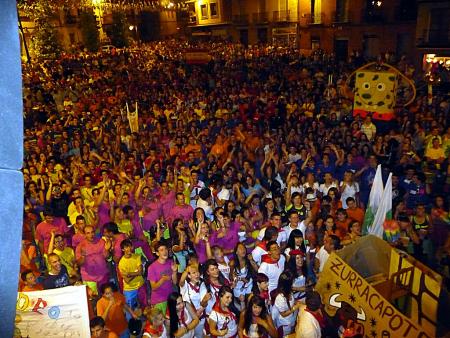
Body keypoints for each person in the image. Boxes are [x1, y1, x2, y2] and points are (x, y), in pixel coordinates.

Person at [75, 225, 111, 296]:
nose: (91, 235)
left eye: (92, 232)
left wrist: (107, 249)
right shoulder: (80, 246)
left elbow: (107, 256)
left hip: (103, 275)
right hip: (89, 278)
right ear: (84, 234)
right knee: (93, 299)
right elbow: (79, 263)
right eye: (88, 233)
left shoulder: (101, 241)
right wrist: (83, 256)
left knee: (105, 297)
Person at [147, 241, 178, 314]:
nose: (165, 251)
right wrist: (163, 279)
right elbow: (153, 287)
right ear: (157, 253)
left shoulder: (170, 262)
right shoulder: (152, 267)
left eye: (165, 249)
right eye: (161, 250)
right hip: (159, 300)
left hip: (170, 297)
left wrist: (174, 272)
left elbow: (175, 282)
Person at [118, 239, 146, 312]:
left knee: (144, 307)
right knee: (130, 310)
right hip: (129, 289)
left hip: (140, 285)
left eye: (130, 246)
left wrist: (129, 274)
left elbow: (141, 272)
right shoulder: (121, 263)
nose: (129, 249)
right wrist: (137, 272)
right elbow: (127, 280)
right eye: (126, 247)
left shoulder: (137, 256)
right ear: (122, 249)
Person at [271, 271, 301, 336]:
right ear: (287, 284)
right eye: (292, 281)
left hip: (291, 320)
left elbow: (291, 300)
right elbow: (283, 314)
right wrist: (295, 307)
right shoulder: (280, 298)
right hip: (285, 324)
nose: (293, 282)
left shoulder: (289, 290)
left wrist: (295, 302)